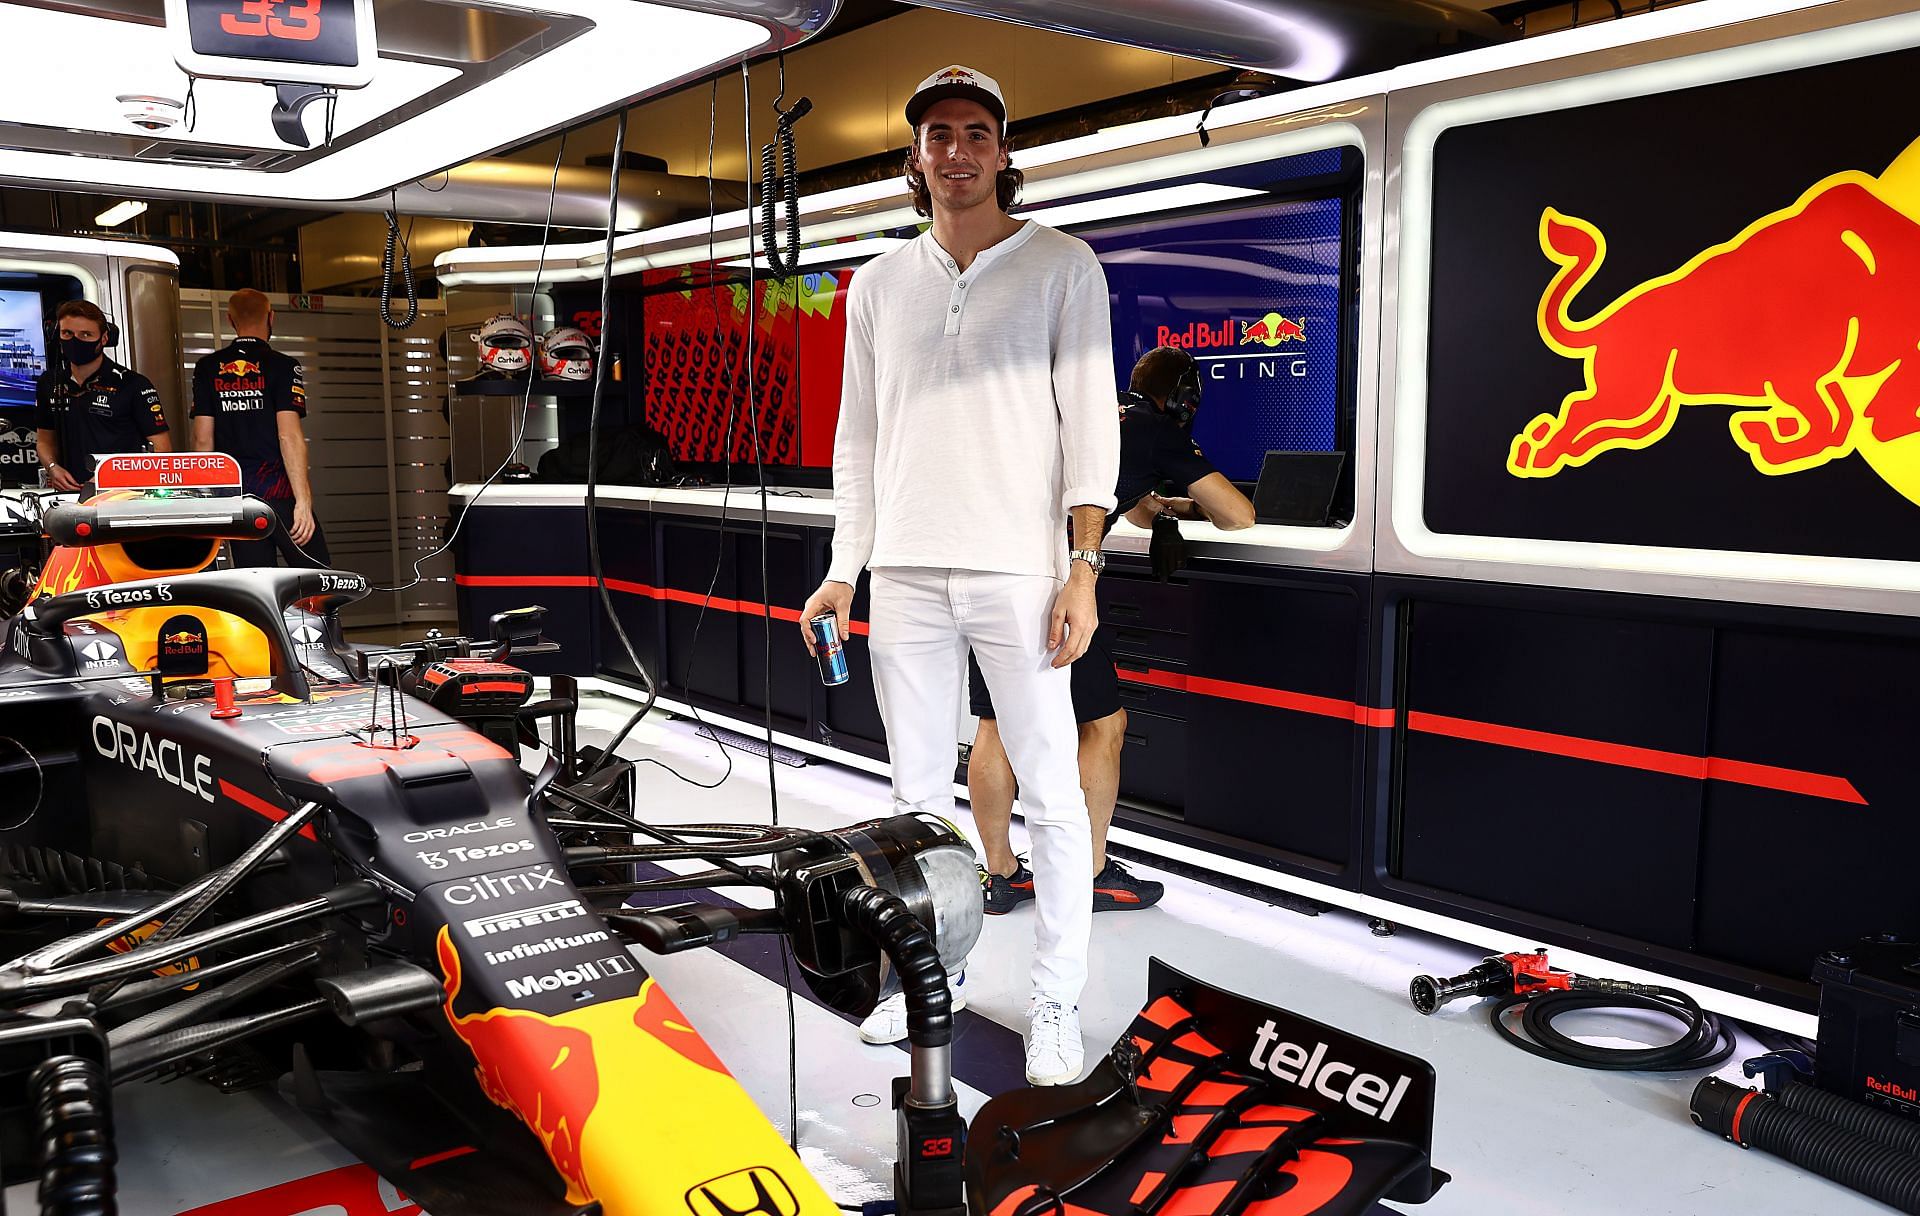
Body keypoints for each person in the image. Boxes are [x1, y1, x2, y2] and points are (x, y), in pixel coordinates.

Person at [798, 65, 1119, 1086]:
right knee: (912, 801)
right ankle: (923, 975)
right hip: (905, 578)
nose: (957, 151)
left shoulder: (1064, 265)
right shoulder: (879, 285)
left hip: (1020, 574)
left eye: (976, 133)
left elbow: (1090, 431)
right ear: (916, 158)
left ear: (1002, 151)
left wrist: (1082, 567)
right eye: (939, 134)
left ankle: (1056, 1000)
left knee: (1054, 796)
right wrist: (844, 570)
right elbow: (859, 440)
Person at [970, 346, 1255, 915]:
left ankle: (999, 872)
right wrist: (1187, 500)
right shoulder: (1157, 431)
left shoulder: (1098, 413)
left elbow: (1130, 505)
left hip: (990, 573)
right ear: (1183, 398)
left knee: (997, 722)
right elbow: (1239, 515)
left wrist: (1164, 509)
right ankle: (1090, 871)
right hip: (1054, 582)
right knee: (1104, 724)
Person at [191, 289, 329, 568]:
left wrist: (211, 505)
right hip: (280, 494)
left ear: (230, 320)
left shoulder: (207, 368)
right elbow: (288, 435)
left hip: (238, 500)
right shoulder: (283, 366)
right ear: (271, 317)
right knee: (319, 581)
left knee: (256, 587)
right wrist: (303, 502)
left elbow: (202, 441)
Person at [34, 300, 170, 490]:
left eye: (86, 335)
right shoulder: (49, 382)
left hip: (124, 496)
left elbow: (162, 450)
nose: (76, 340)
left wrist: (113, 477)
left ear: (104, 338)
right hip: (69, 496)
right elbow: (44, 441)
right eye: (68, 333)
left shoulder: (133, 384)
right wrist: (52, 468)